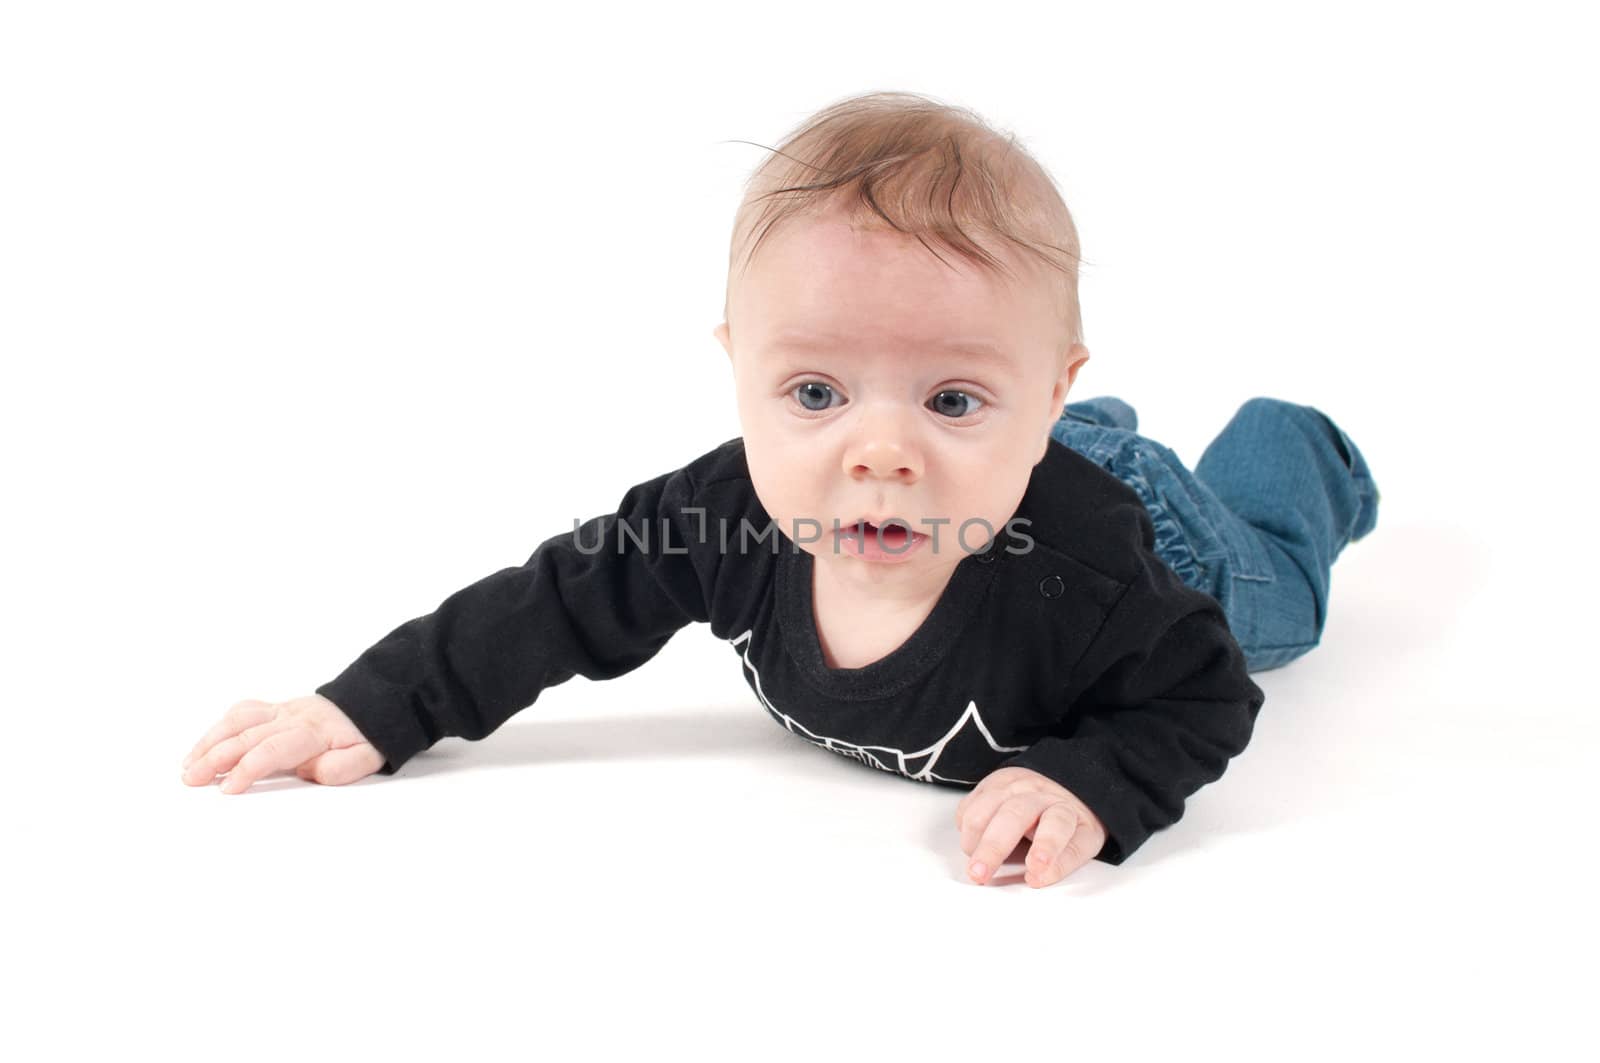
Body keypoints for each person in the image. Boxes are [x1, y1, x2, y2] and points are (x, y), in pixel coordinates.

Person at [179, 91, 1379, 886]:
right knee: (969, 451)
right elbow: (557, 601)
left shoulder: (1098, 584)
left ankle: (1287, 447)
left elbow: (1203, 697)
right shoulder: (725, 515)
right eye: (815, 393)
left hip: (1158, 530)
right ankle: (1043, 431)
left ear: (1048, 387)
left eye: (947, 398)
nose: (877, 452)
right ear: (738, 370)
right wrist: (375, 705)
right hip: (1029, 462)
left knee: (1276, 594)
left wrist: (1094, 778)